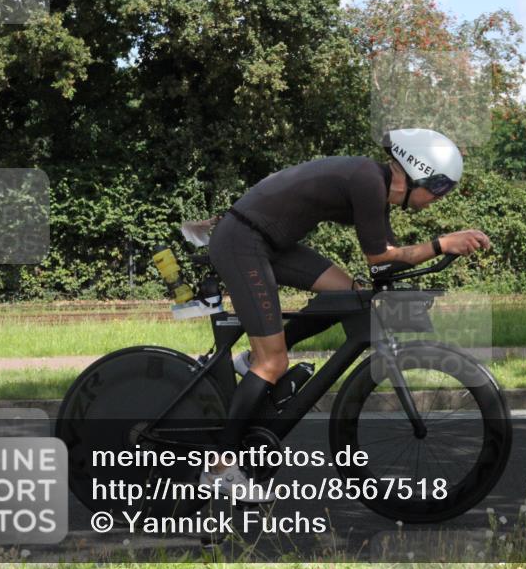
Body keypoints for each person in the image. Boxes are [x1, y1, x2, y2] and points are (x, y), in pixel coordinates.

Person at [196, 128, 491, 499]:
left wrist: (439, 247)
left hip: (269, 242)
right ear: (418, 173)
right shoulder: (368, 181)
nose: (437, 199)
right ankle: (221, 470)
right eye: (438, 188)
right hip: (243, 242)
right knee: (274, 363)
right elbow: (380, 258)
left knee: (348, 294)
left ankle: (251, 360)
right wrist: (441, 244)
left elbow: (385, 266)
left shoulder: (374, 185)